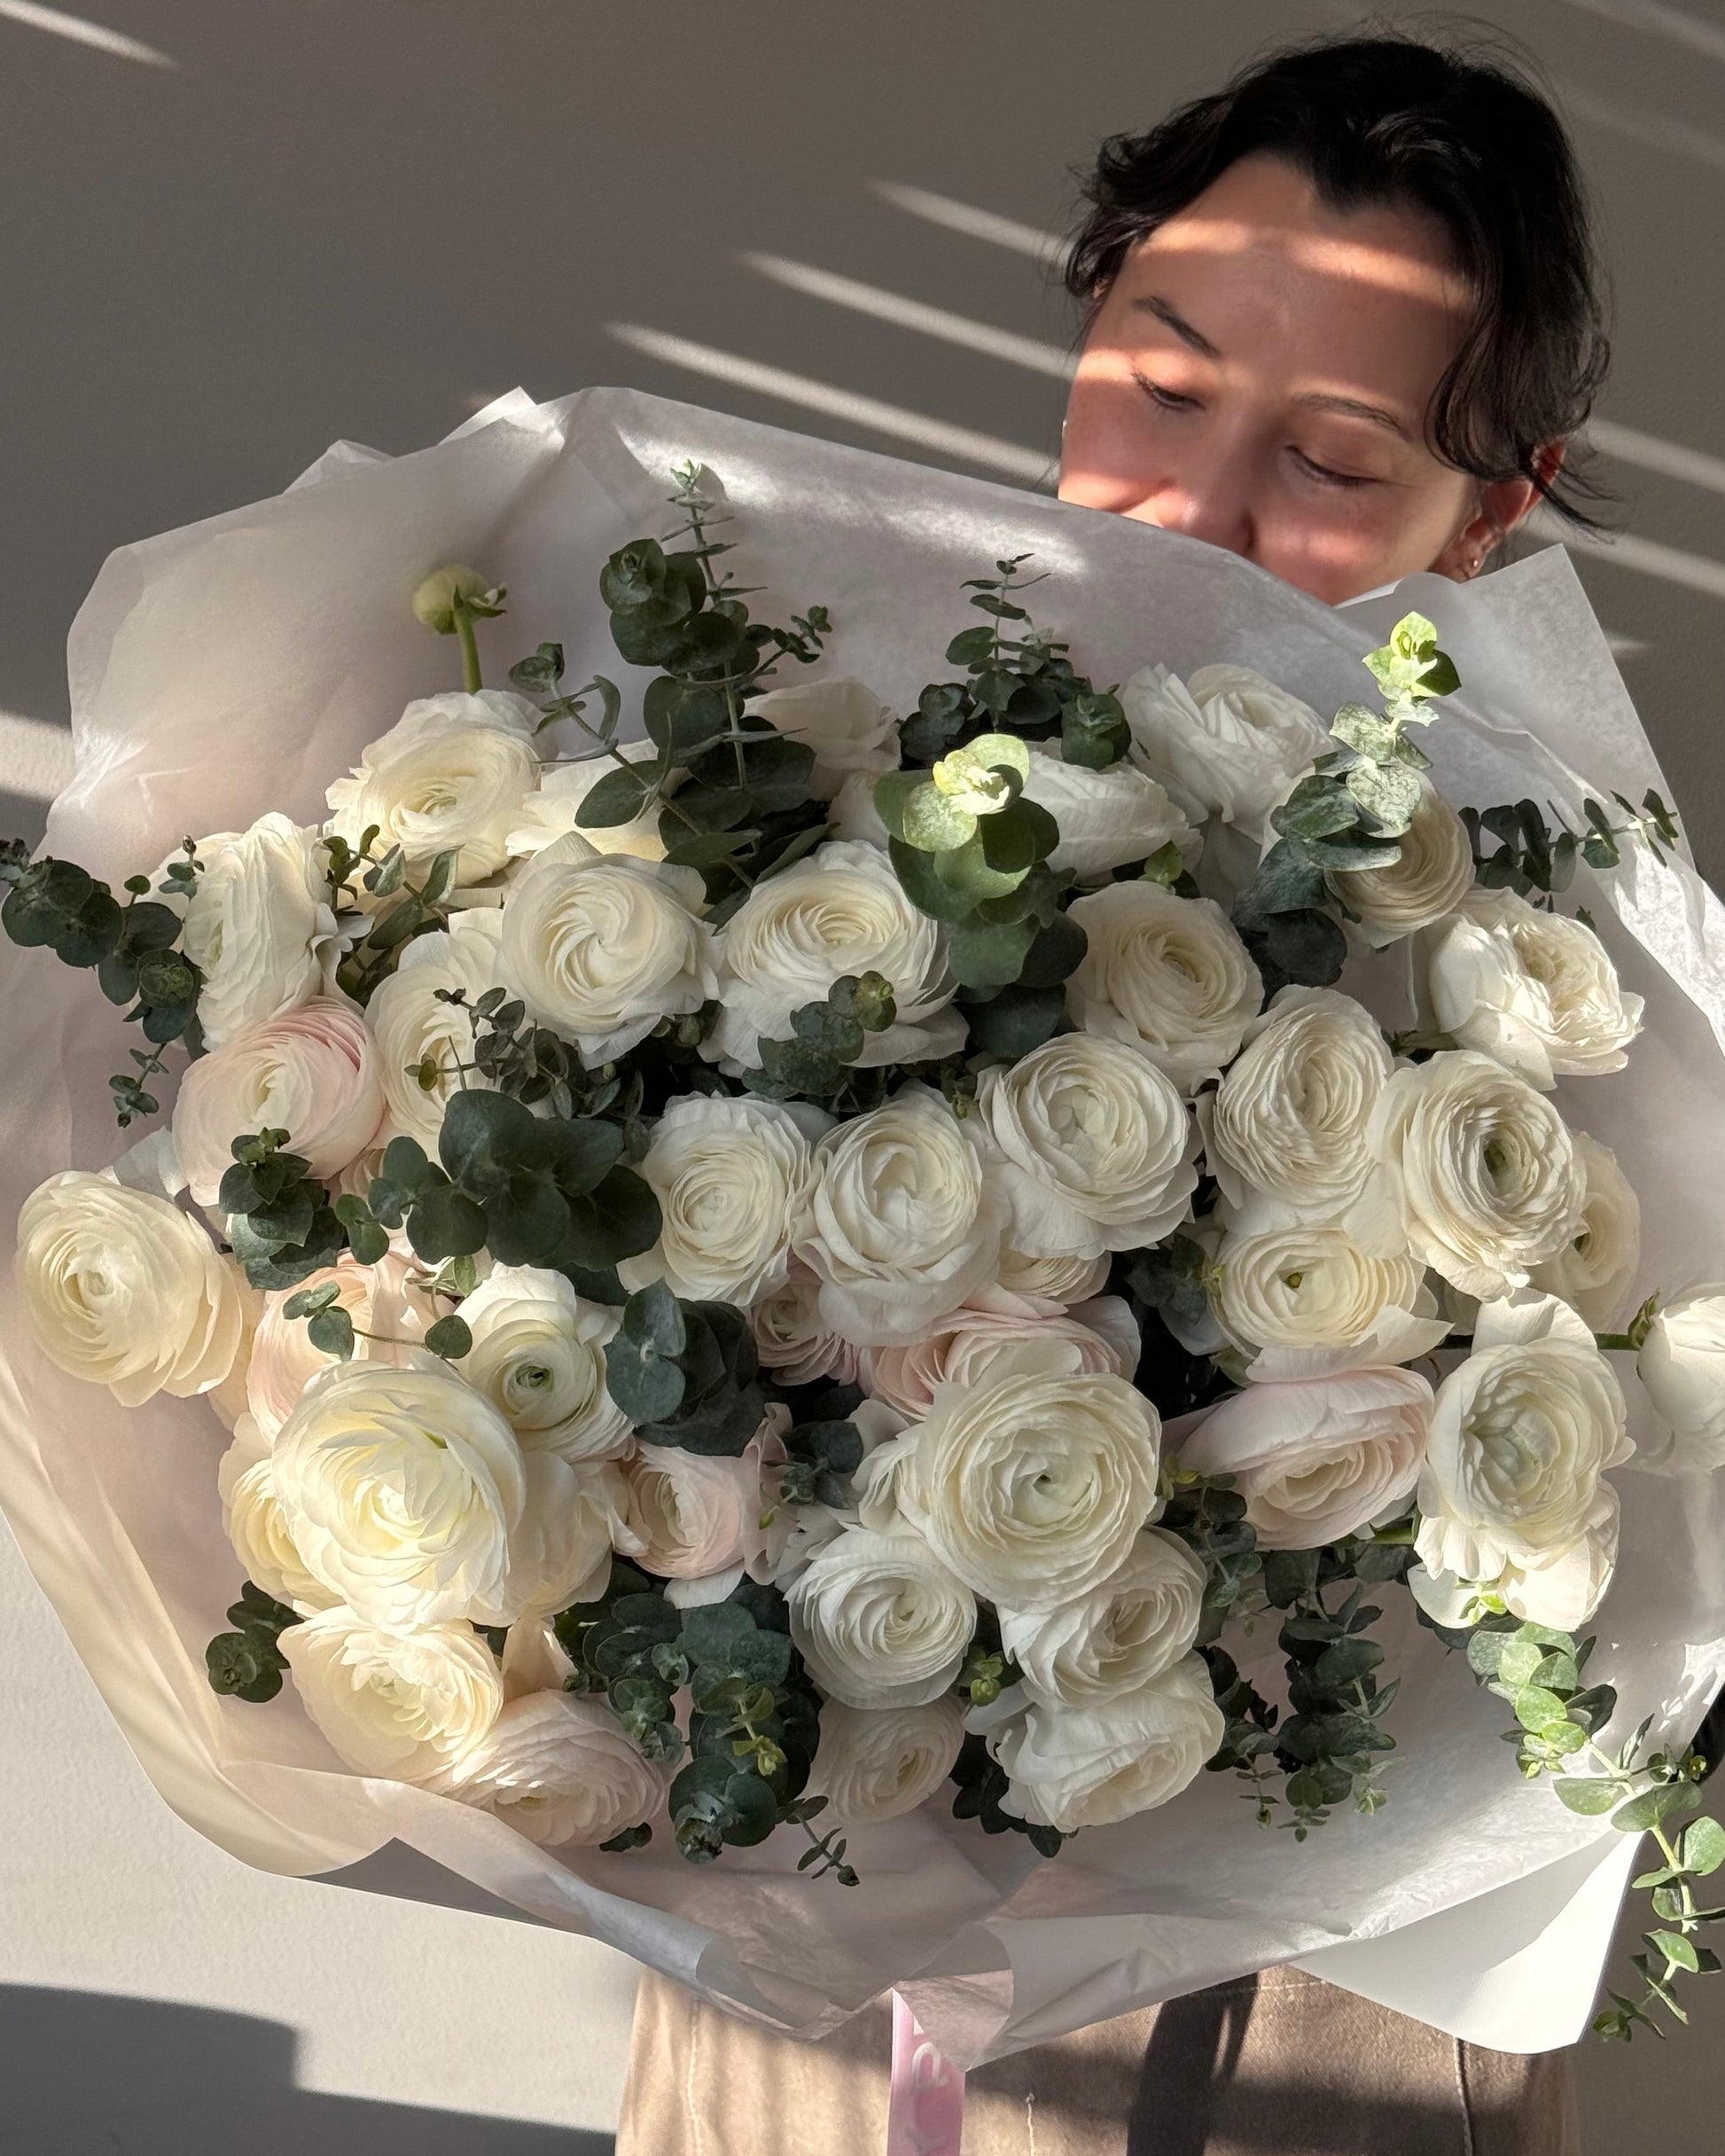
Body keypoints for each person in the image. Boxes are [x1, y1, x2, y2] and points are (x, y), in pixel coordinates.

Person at [618, 29, 1604, 2156]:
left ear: (1491, 505)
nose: (1195, 504)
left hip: (1306, 1955)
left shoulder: (1566, 991)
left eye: (1337, 464)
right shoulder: (807, 796)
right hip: (821, 1919)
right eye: (1155, 388)